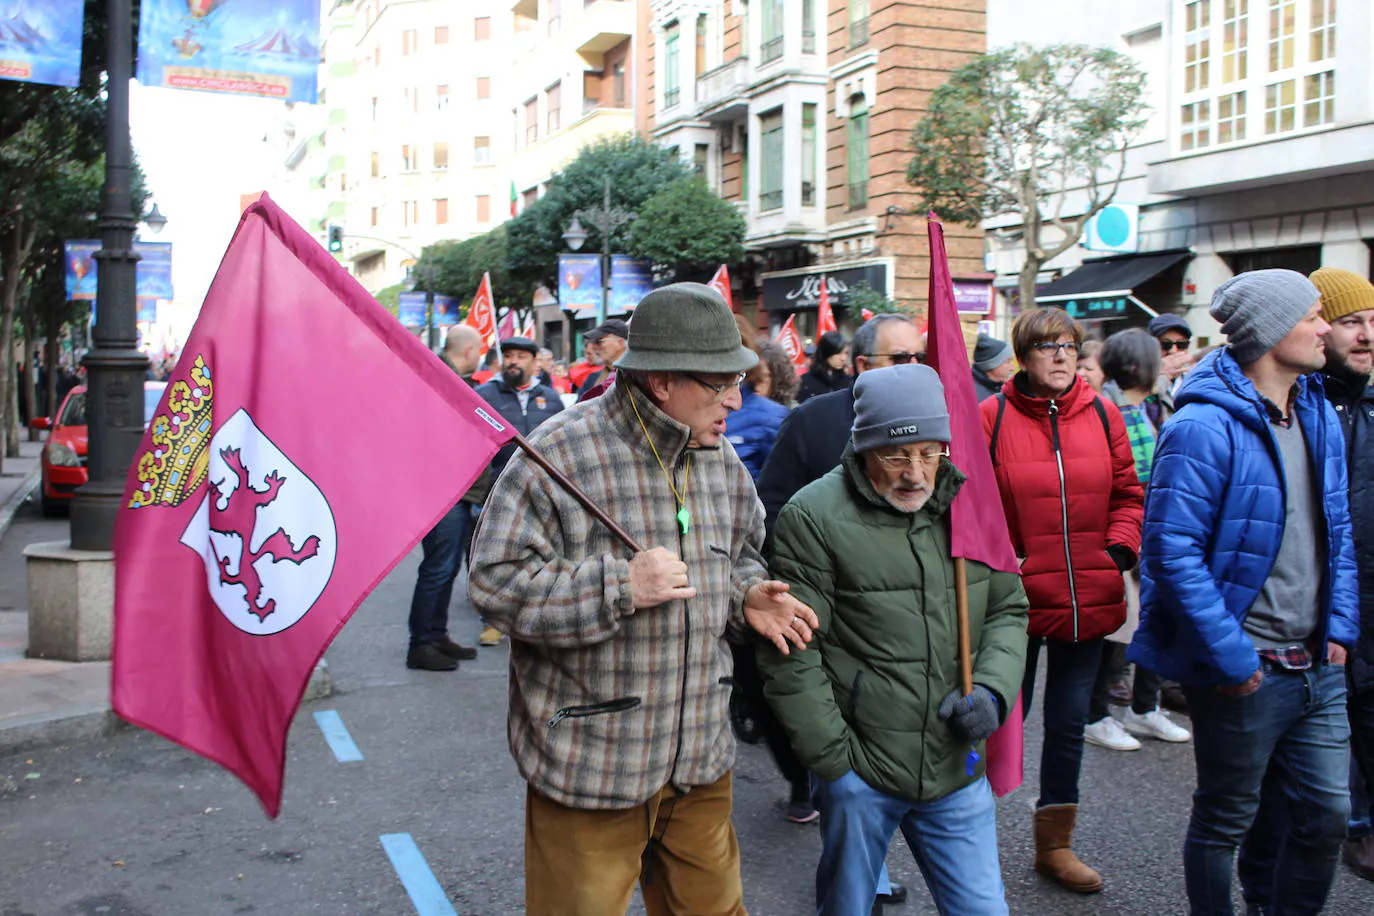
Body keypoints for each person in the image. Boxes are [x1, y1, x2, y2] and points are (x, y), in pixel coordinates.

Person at [467, 282, 820, 916]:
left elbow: (739, 557)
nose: (736, 401)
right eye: (720, 385)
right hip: (593, 764)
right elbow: (495, 585)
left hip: (700, 759)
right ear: (662, 382)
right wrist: (619, 586)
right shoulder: (558, 453)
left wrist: (746, 597)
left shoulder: (722, 460)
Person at [758, 363, 1029, 916]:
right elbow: (792, 648)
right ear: (862, 448)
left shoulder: (971, 504)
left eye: (931, 453)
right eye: (896, 455)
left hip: (955, 764)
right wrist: (835, 763)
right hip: (862, 769)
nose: (915, 473)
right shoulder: (813, 515)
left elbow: (1008, 607)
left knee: (984, 909)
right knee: (849, 907)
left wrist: (995, 694)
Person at [1129, 269, 1359, 916]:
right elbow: (1170, 554)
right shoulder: (1201, 426)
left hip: (1318, 662)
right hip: (1245, 668)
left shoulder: (1315, 407)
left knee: (1325, 817)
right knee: (1225, 820)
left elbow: (1334, 526)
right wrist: (1231, 658)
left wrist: (1339, 629)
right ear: (1270, 328)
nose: (1326, 329)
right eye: (1314, 316)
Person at [980, 307, 1143, 895]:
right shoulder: (991, 416)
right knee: (998, 720)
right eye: (1046, 345)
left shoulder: (1103, 413)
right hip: (1014, 604)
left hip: (1087, 599)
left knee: (1069, 724)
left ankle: (1055, 846)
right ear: (1023, 355)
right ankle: (969, 844)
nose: (1060, 355)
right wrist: (1004, 565)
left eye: (1069, 345)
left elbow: (1129, 494)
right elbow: (972, 505)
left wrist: (1118, 554)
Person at [1084, 329, 1191, 748]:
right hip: (1124, 539)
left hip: (1152, 537)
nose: (1170, 359)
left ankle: (1144, 709)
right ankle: (1097, 716)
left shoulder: (1146, 407)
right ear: (1138, 366)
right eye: (1161, 353)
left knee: (1153, 624)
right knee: (1112, 633)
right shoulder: (1110, 412)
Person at [1311, 266, 1374, 881]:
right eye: (1352, 321)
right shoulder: (1298, 403)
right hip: (1320, 611)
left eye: (1373, 321)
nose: (1366, 335)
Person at [472, 336, 566, 647]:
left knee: (538, 551)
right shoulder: (484, 394)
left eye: (521, 356)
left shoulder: (550, 397)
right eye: (509, 355)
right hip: (497, 487)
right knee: (498, 552)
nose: (514, 361)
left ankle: (532, 614)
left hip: (542, 488)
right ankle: (493, 620)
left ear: (534, 362)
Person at [405, 325, 487, 671]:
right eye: (480, 350)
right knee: (438, 569)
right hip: (444, 493)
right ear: (469, 351)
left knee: (448, 567)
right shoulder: (439, 381)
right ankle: (421, 644)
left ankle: (436, 635)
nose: (481, 356)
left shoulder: (448, 380)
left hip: (457, 492)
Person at [726, 342, 795, 480]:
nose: (757, 382)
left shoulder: (781, 416)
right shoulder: (730, 408)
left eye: (765, 376)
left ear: (778, 379)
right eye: (749, 376)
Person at [1146, 313, 1193, 429]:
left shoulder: (1195, 379)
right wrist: (1162, 376)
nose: (1173, 350)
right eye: (1165, 344)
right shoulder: (1139, 379)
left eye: (1182, 344)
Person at [576, 317, 629, 398]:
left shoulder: (636, 377)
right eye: (593, 342)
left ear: (620, 342)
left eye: (599, 341)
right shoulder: (592, 379)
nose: (594, 346)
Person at [797, 331, 852, 403]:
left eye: (846, 353)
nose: (843, 358)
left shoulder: (849, 382)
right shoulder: (805, 381)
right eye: (838, 352)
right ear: (826, 351)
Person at [971, 333, 1015, 402]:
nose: (1012, 368)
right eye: (1008, 362)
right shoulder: (972, 395)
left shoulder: (1001, 387)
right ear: (991, 365)